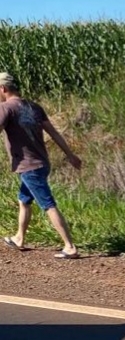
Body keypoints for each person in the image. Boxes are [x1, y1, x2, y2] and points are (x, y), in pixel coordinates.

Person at [0, 72, 83, 259]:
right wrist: (70, 155)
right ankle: (19, 238)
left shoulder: (6, 108)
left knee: (48, 205)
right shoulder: (33, 106)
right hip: (42, 163)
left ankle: (70, 246)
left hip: (29, 166)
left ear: (3, 89)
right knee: (24, 200)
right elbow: (53, 132)